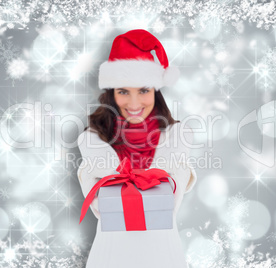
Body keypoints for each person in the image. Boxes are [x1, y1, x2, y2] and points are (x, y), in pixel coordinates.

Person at [77, 29, 197, 268]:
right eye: (123, 91)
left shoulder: (176, 137)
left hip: (161, 250)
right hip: (113, 250)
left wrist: (123, 183)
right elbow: (101, 207)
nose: (133, 103)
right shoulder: (94, 139)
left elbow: (171, 201)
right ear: (112, 93)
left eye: (143, 90)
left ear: (155, 91)